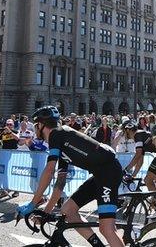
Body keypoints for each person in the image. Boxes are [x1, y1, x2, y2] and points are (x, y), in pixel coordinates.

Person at [20, 106, 125, 247]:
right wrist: (46, 212)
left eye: (35, 125)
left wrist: (33, 203)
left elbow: (49, 170)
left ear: (41, 125)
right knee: (68, 210)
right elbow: (60, 183)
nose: (35, 129)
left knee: (107, 228)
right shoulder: (61, 141)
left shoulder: (56, 134)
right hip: (101, 174)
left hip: (108, 173)